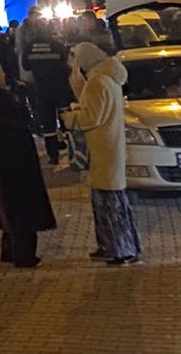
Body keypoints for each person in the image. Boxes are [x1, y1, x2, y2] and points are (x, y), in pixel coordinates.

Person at [0, 58, 56, 268]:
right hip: (14, 161)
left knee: (6, 206)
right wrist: (20, 100)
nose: (4, 75)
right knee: (20, 207)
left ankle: (9, 251)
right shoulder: (0, 102)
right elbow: (22, 122)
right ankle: (24, 255)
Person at [69, 41, 139, 264]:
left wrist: (70, 117)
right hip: (109, 147)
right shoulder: (107, 78)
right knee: (109, 201)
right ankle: (112, 246)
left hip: (102, 149)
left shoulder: (97, 81)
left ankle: (121, 250)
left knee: (109, 204)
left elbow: (92, 117)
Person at [19, 10, 73, 164]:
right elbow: (66, 63)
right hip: (61, 88)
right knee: (67, 120)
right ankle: (72, 151)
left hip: (41, 89)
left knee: (48, 123)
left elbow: (26, 66)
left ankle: (53, 155)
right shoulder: (57, 45)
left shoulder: (29, 47)